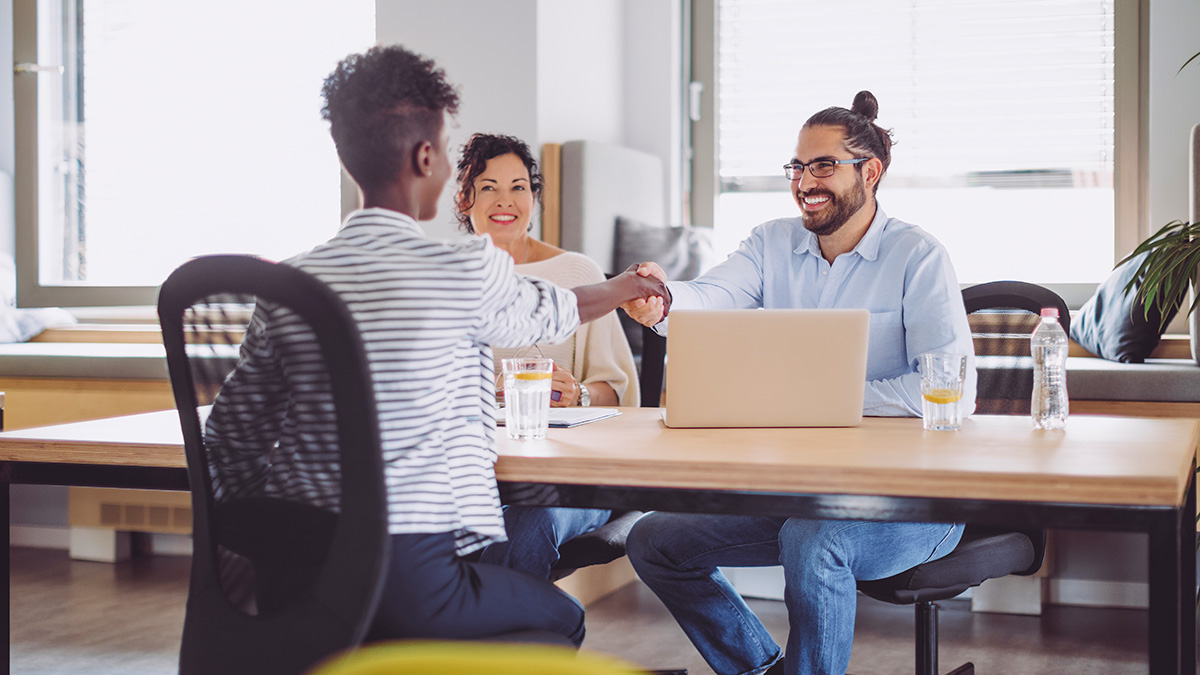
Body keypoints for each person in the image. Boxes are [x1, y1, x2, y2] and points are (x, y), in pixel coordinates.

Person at [203, 44, 668, 647]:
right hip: (413, 578)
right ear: (427, 157)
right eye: (448, 151)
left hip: (294, 579)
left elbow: (230, 437)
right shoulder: (462, 269)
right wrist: (629, 285)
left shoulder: (289, 282)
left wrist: (272, 540)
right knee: (558, 617)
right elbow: (561, 308)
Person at [622, 91, 977, 675]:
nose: (805, 180)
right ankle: (762, 668)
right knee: (655, 540)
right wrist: (662, 301)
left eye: (824, 165)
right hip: (801, 493)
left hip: (914, 505)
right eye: (798, 166)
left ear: (872, 172)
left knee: (817, 540)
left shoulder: (918, 255)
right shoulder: (771, 243)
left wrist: (822, 400)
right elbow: (712, 298)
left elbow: (953, 389)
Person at [453, 132, 637, 579]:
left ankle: (507, 642)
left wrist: (577, 394)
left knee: (523, 524)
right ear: (464, 198)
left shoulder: (576, 272)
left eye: (519, 187)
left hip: (569, 478)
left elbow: (618, 391)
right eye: (488, 186)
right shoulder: (444, 276)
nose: (505, 200)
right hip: (476, 475)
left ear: (533, 198)